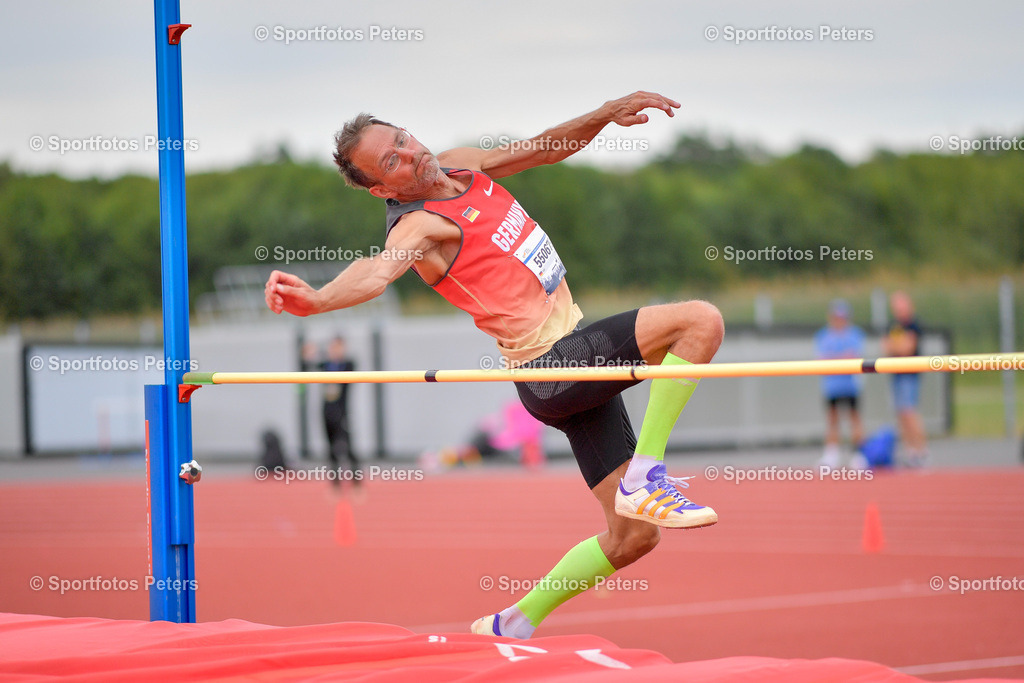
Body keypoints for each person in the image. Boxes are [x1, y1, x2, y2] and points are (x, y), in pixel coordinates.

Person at [264, 91, 724, 639]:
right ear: (383, 189)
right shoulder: (417, 228)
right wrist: (315, 301)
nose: (411, 154)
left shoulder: (463, 164)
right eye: (392, 161)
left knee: (633, 538)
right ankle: (647, 473)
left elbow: (543, 150)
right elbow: (375, 272)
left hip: (569, 363)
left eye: (403, 139)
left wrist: (605, 113)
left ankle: (511, 623)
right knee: (699, 322)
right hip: (550, 368)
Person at [814, 299, 865, 468]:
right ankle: (831, 455)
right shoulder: (824, 335)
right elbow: (823, 360)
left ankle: (859, 455)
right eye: (837, 317)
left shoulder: (854, 334)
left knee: (854, 419)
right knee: (832, 419)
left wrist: (836, 359)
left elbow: (853, 357)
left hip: (851, 385)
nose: (839, 320)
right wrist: (840, 359)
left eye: (842, 317)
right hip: (832, 386)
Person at [304, 337, 361, 488]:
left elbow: (349, 369)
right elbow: (307, 363)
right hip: (326, 412)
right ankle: (335, 484)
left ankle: (356, 482)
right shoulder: (325, 364)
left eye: (338, 347)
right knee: (330, 449)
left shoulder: (348, 364)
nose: (335, 350)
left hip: (342, 412)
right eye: (333, 347)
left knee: (348, 448)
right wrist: (310, 353)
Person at [883, 291, 929, 467]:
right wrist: (896, 346)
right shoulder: (893, 325)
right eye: (896, 307)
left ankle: (922, 451)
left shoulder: (913, 325)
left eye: (902, 307)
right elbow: (886, 347)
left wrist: (896, 346)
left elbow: (907, 349)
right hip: (896, 374)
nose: (899, 311)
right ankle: (911, 452)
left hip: (910, 375)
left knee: (910, 413)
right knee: (901, 414)